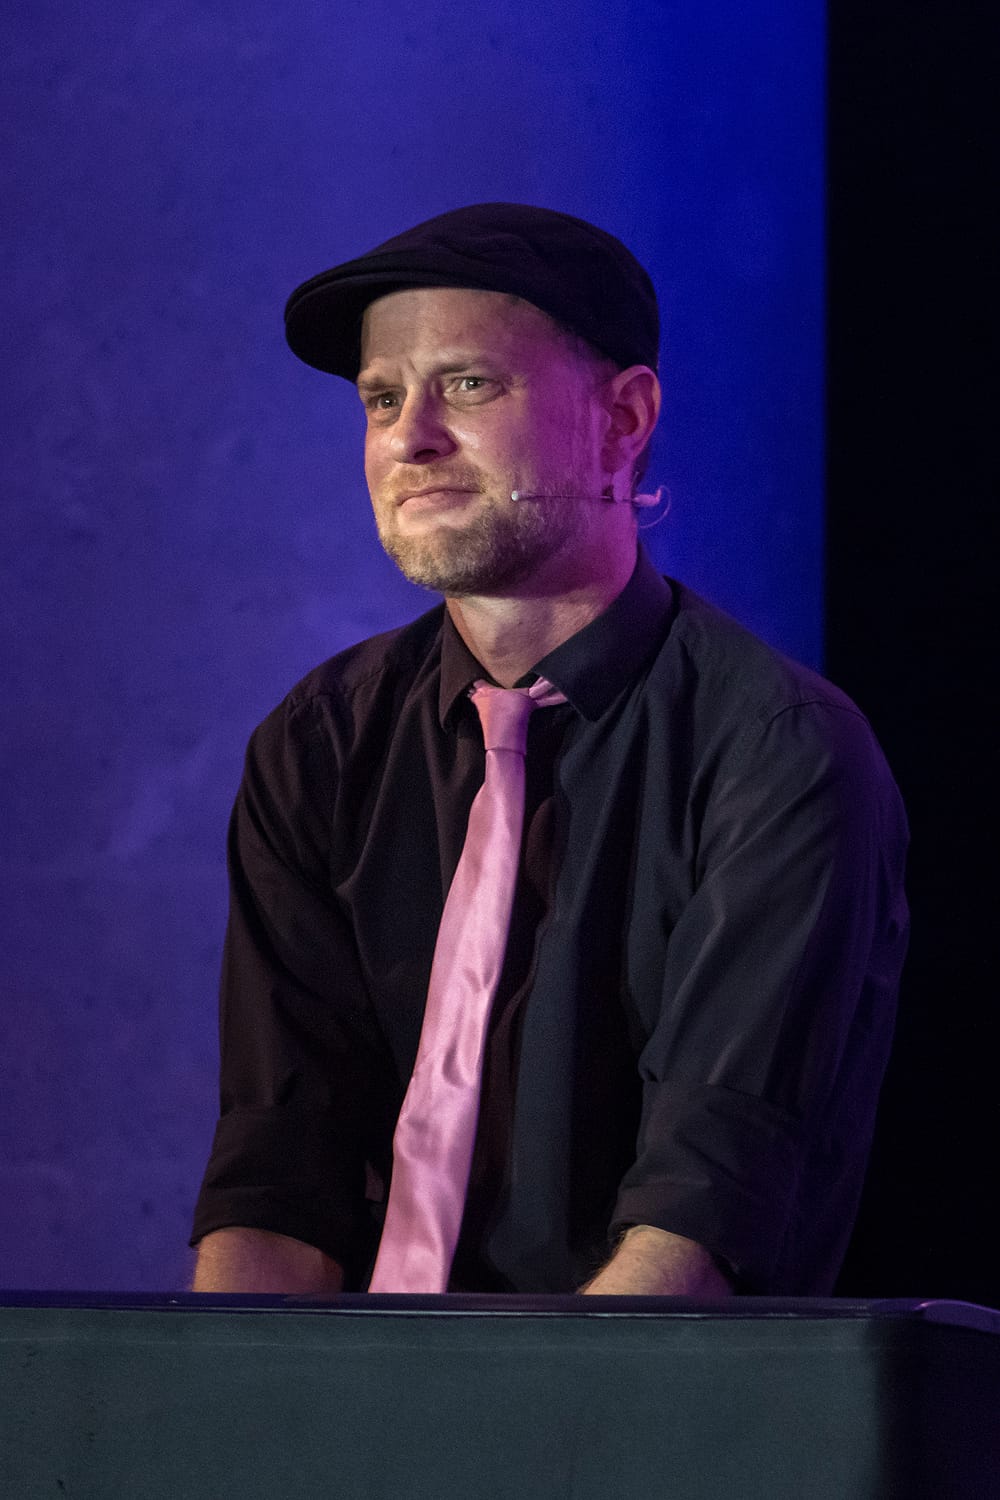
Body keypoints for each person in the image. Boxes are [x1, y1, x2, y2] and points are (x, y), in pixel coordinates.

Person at [190, 203, 909, 1297]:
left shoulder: (777, 754)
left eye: (469, 384)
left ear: (623, 418)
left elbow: (695, 1225)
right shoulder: (318, 744)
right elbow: (275, 1181)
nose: (410, 438)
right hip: (350, 1392)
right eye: (382, 399)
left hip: (640, 1394)